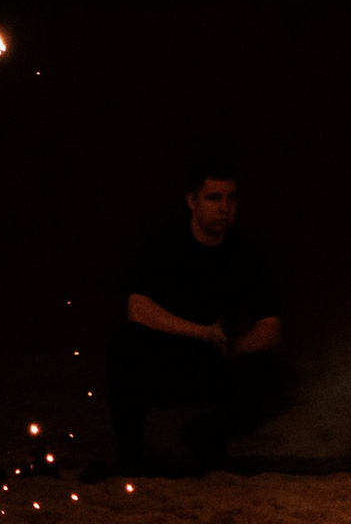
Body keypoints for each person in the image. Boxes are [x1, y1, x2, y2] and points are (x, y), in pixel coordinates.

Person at [105, 164, 292, 473]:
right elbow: (137, 309)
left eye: (231, 199)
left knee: (282, 377)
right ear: (192, 201)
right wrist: (202, 332)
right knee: (124, 346)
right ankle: (131, 452)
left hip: (217, 358)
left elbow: (271, 328)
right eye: (214, 198)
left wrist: (237, 347)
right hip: (167, 356)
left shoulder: (246, 255)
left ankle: (206, 435)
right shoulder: (163, 244)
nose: (224, 207)